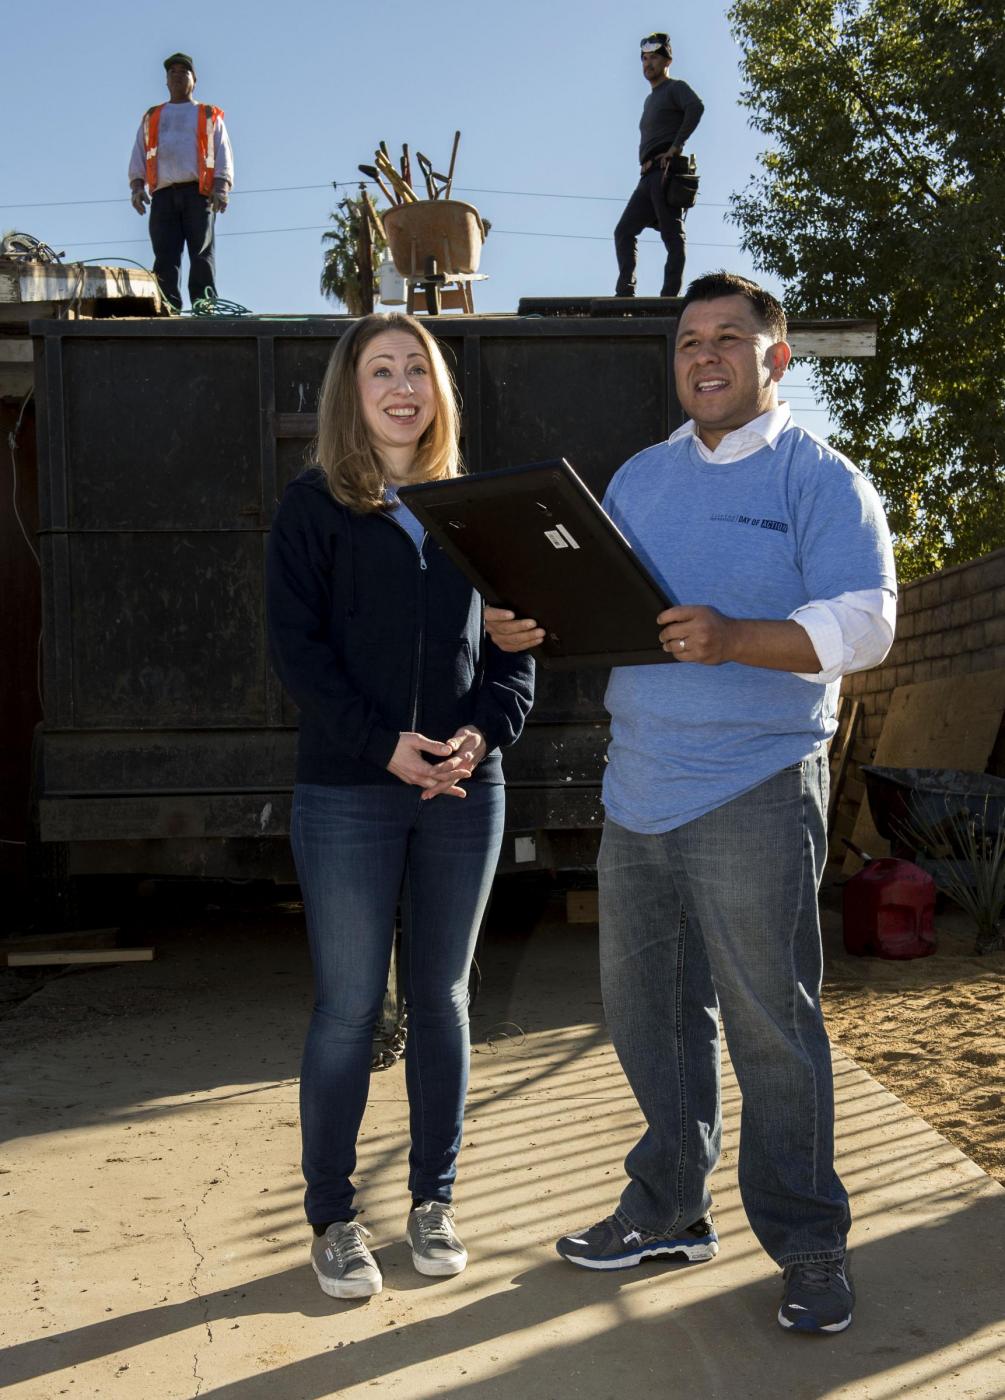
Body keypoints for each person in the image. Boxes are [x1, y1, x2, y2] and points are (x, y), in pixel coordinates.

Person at [485, 272, 896, 1335]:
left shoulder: (821, 478)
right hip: (641, 785)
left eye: (729, 338)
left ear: (777, 357)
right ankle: (669, 1205)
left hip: (757, 781)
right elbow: (608, 606)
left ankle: (810, 1242)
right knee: (651, 1017)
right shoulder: (639, 477)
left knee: (773, 1026)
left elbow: (863, 623)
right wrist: (534, 620)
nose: (705, 356)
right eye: (688, 342)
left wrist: (736, 635)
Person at [266, 313, 534, 1301]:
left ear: (438, 391)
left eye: (416, 368)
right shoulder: (313, 508)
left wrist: (482, 736)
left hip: (464, 791)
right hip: (349, 790)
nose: (401, 384)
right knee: (347, 1007)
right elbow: (299, 654)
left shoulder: (477, 512)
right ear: (352, 391)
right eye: (380, 368)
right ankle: (333, 1217)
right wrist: (385, 744)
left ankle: (433, 1199)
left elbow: (516, 648)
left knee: (444, 999)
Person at [128, 52, 234, 311]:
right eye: (172, 72)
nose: (177, 75)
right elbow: (139, 154)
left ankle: (204, 304)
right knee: (165, 256)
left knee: (202, 254)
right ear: (166, 81)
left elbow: (223, 152)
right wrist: (137, 187)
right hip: (163, 196)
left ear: (194, 80)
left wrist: (221, 187)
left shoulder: (207, 114)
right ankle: (168, 306)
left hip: (199, 195)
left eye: (183, 72)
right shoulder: (153, 117)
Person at [614, 32, 704, 299]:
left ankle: (668, 298)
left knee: (672, 237)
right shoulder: (650, 98)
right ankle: (625, 291)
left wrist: (676, 147)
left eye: (653, 58)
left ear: (667, 61)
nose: (647, 63)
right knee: (624, 231)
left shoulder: (675, 88)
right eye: (644, 58)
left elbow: (696, 108)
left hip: (666, 172)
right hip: (647, 175)